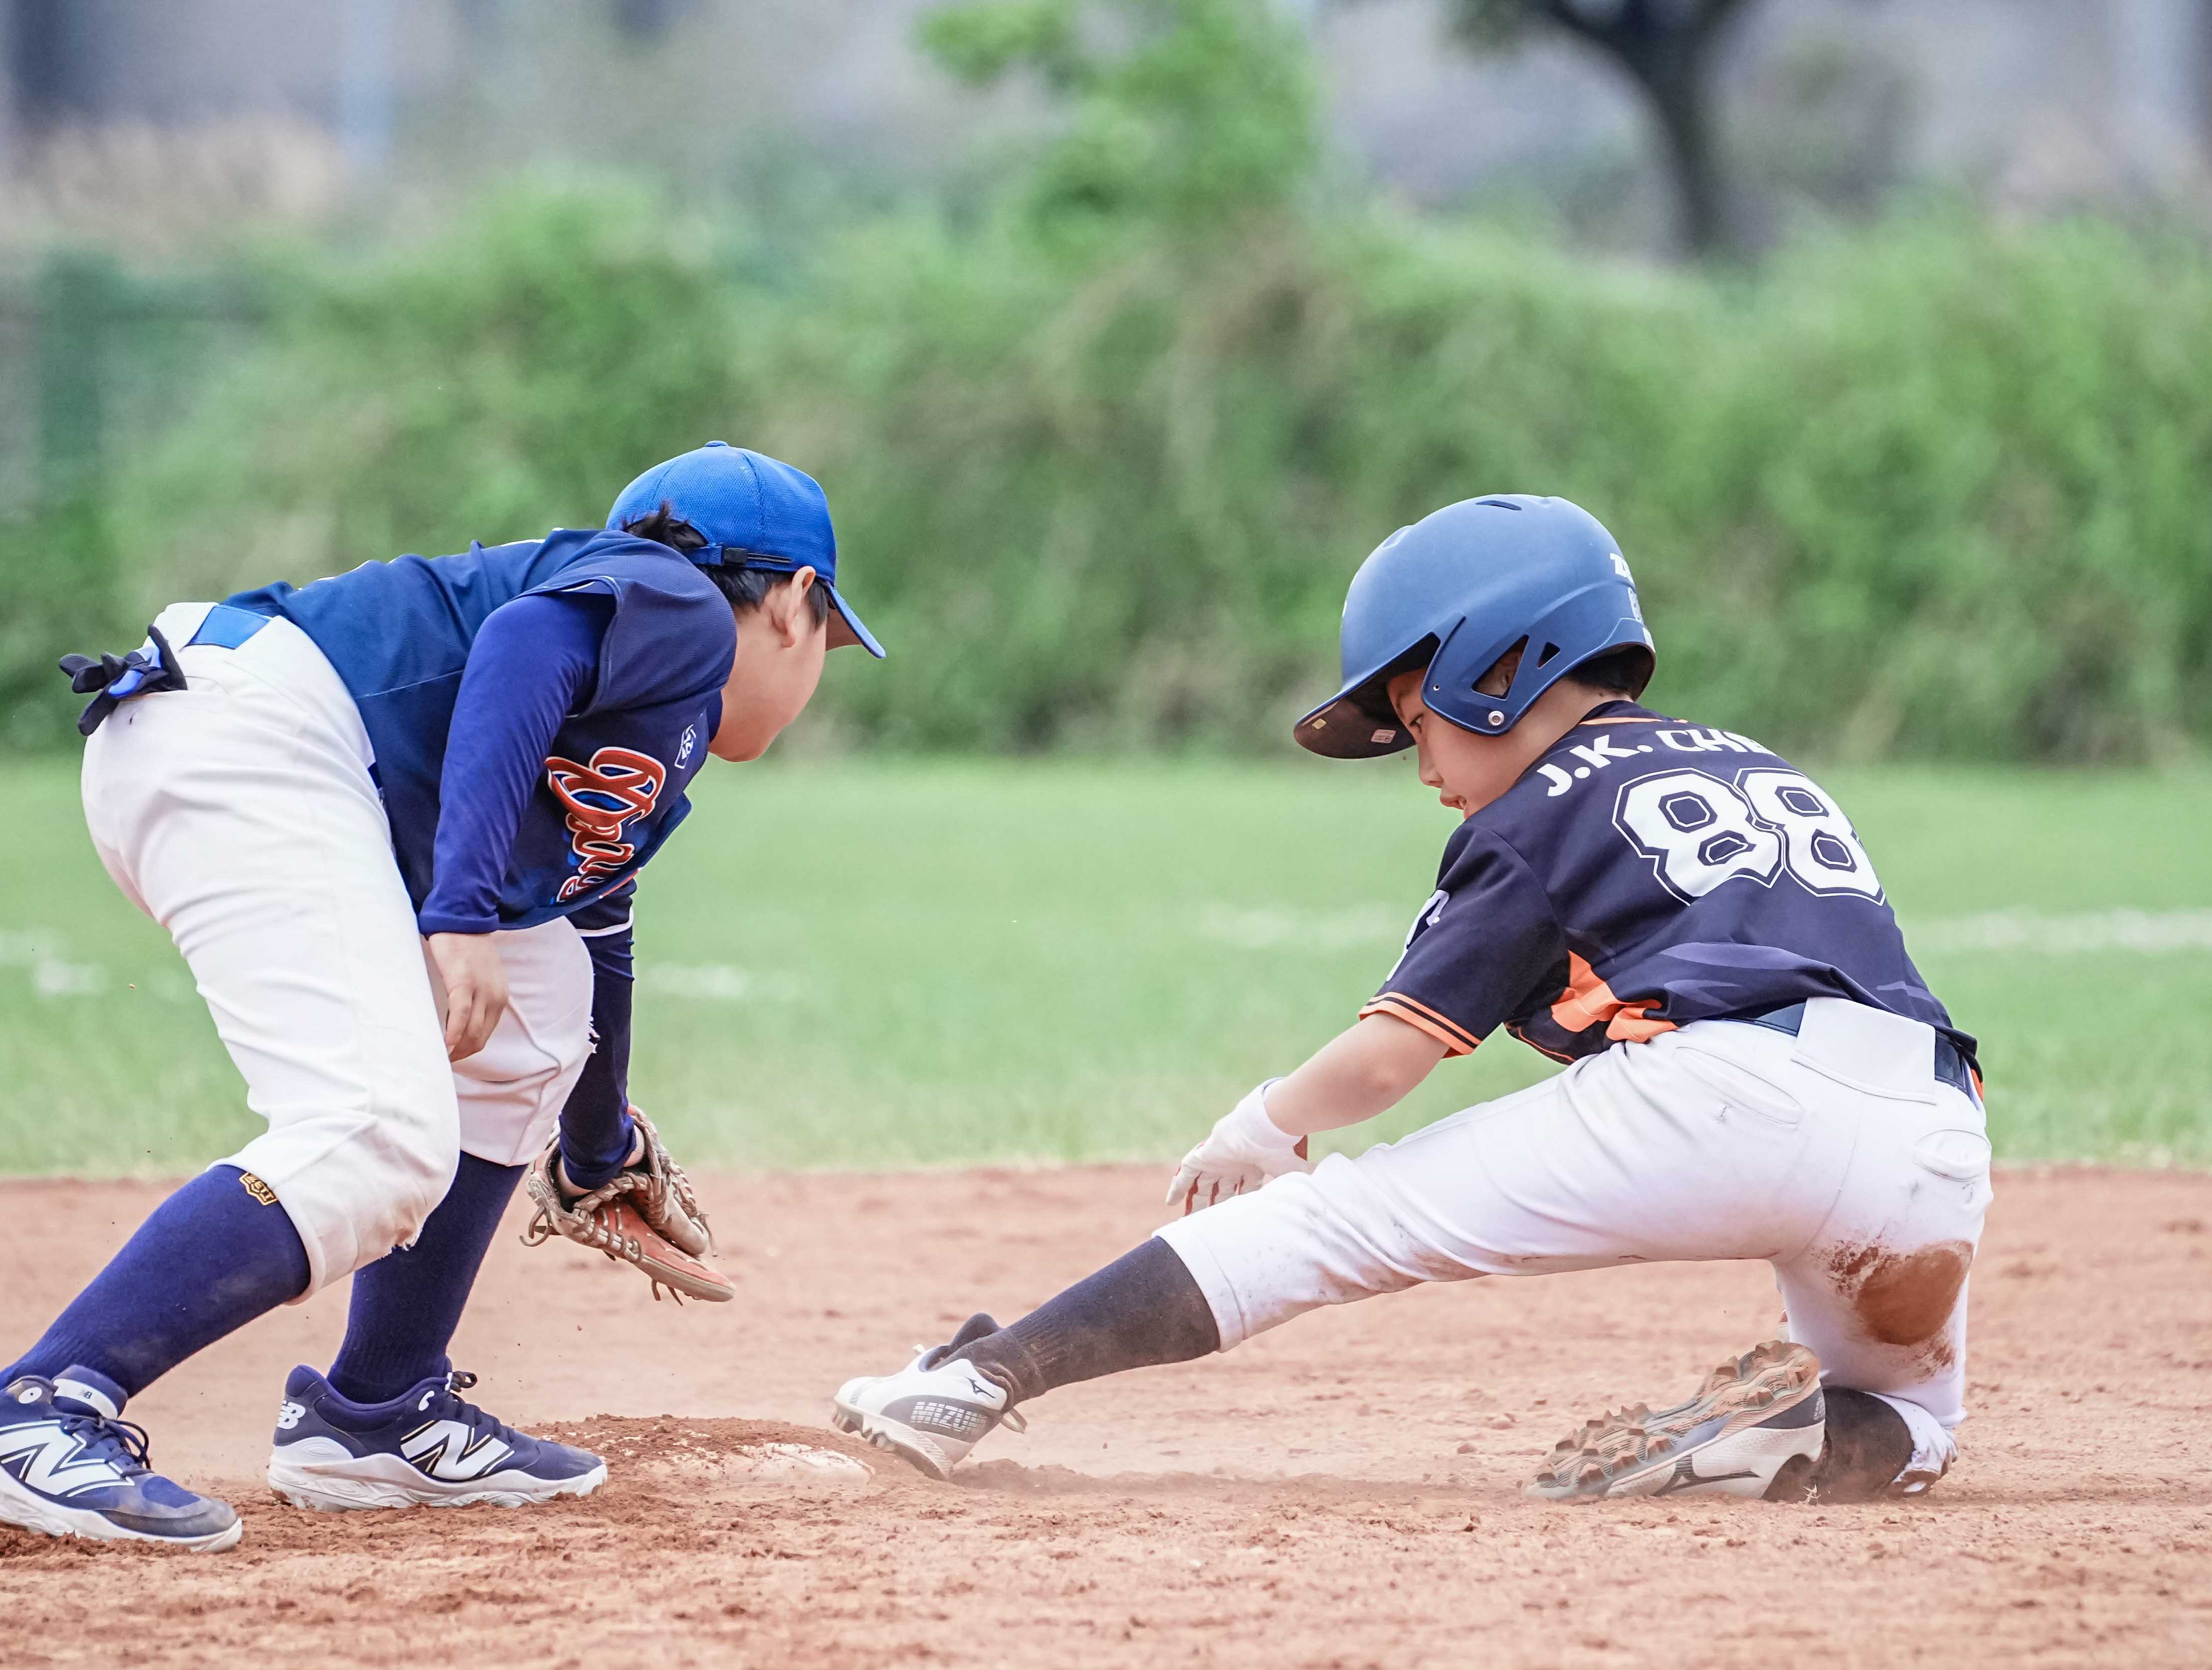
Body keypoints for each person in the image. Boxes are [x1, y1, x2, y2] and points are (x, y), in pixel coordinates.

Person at [832, 493, 1990, 1503]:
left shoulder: (1533, 811)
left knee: (1337, 1222)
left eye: (1419, 722)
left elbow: (1389, 1060)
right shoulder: (1749, 758)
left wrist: (1265, 1123)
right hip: (1932, 1141)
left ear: (1497, 671)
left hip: (1730, 1103)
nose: (1424, 768)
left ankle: (977, 1380)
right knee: (1910, 1414)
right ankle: (1820, 1438)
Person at [0, 442, 884, 1549]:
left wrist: (598, 1147)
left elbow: (596, 936)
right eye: (832, 637)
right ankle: (29, 1408)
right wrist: (457, 912)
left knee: (535, 1015)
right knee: (376, 1132)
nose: (820, 663)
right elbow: (520, 647)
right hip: (259, 741)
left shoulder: (644, 707)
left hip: (261, 744)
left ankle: (374, 1410)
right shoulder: (681, 612)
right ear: (794, 604)